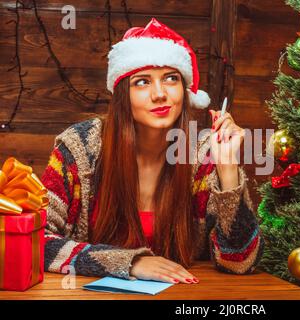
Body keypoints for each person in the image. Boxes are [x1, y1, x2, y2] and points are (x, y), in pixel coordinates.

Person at [41, 18, 264, 284]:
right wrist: (130, 262)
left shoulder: (204, 153)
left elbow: (240, 262)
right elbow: (36, 242)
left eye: (171, 78)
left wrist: (227, 168)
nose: (160, 94)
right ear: (123, 93)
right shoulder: (80, 148)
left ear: (185, 89)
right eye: (142, 82)